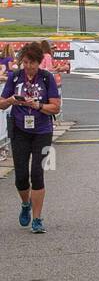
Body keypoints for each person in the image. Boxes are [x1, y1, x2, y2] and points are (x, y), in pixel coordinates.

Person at [0, 42, 61, 234]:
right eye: (25, 62)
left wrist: (38, 106)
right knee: (21, 177)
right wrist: (10, 100)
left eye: (32, 63)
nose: (29, 66)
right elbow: (1, 104)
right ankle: (25, 204)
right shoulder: (15, 77)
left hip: (42, 130)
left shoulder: (46, 78)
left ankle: (37, 218)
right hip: (19, 130)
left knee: (37, 173)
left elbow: (56, 107)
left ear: (39, 62)